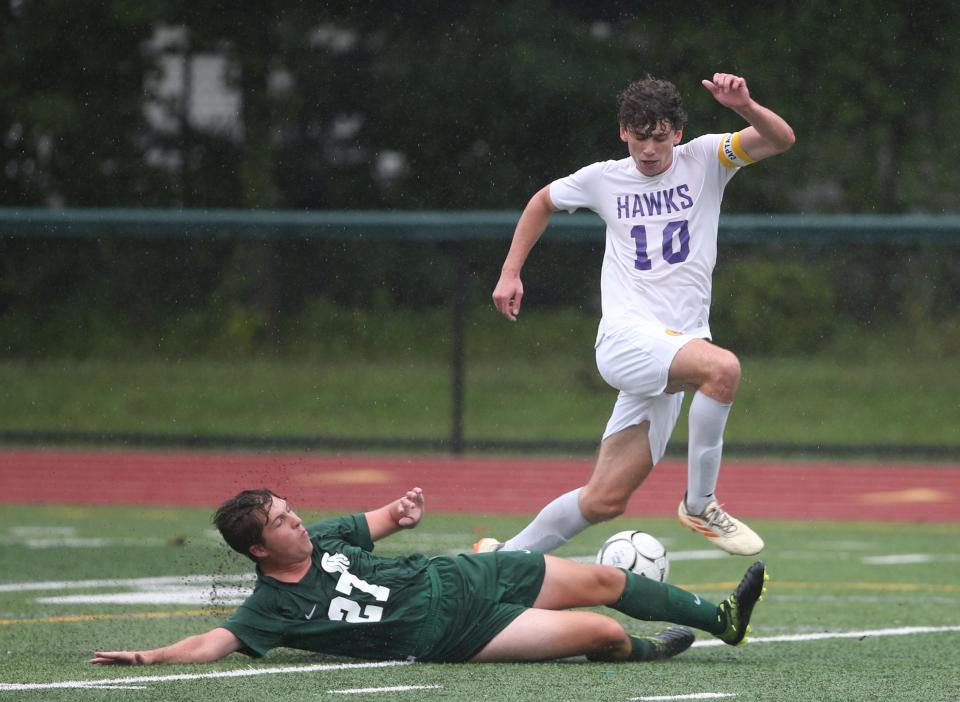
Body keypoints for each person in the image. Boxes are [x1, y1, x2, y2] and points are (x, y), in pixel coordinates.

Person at [476, 73, 795, 558]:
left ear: (678, 133)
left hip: (674, 349)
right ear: (623, 131)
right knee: (723, 368)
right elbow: (543, 201)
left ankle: (499, 560)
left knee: (604, 500)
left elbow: (780, 139)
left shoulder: (708, 157)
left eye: (660, 137)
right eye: (639, 136)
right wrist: (510, 271)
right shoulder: (603, 178)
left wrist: (746, 105)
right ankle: (700, 503)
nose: (649, 149)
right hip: (627, 339)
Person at [91, 487, 767, 666]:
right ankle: (648, 649)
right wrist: (151, 653)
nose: (298, 522)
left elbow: (381, 518)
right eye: (281, 522)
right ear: (260, 551)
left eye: (291, 511)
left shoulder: (323, 536)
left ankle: (722, 620)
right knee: (602, 634)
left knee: (603, 582)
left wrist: (403, 512)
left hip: (464, 572)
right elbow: (215, 642)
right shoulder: (271, 609)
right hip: (459, 631)